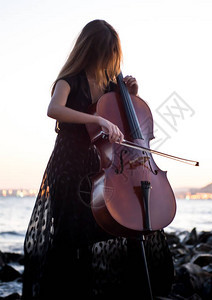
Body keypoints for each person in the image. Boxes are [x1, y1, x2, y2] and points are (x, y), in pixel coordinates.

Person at [22, 19, 174, 299]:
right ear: (91, 50)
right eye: (107, 53)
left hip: (101, 167)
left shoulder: (109, 87)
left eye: (113, 55)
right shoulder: (69, 81)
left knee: (109, 226)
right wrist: (96, 119)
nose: (111, 61)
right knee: (70, 234)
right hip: (69, 165)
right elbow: (54, 109)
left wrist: (130, 96)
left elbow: (124, 123)